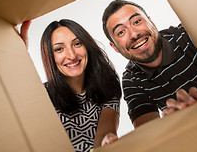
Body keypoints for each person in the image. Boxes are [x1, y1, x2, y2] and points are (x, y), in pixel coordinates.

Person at [101, 0, 197, 130]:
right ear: (114, 47)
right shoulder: (132, 79)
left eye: (137, 22)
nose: (134, 34)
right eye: (121, 32)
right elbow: (148, 132)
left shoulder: (187, 35)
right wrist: (172, 125)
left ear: (151, 21)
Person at [20, 19, 121, 152]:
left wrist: (108, 141)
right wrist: (17, 56)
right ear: (49, 56)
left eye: (77, 43)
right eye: (59, 49)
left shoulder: (107, 85)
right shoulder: (42, 95)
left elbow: (104, 133)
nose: (72, 55)